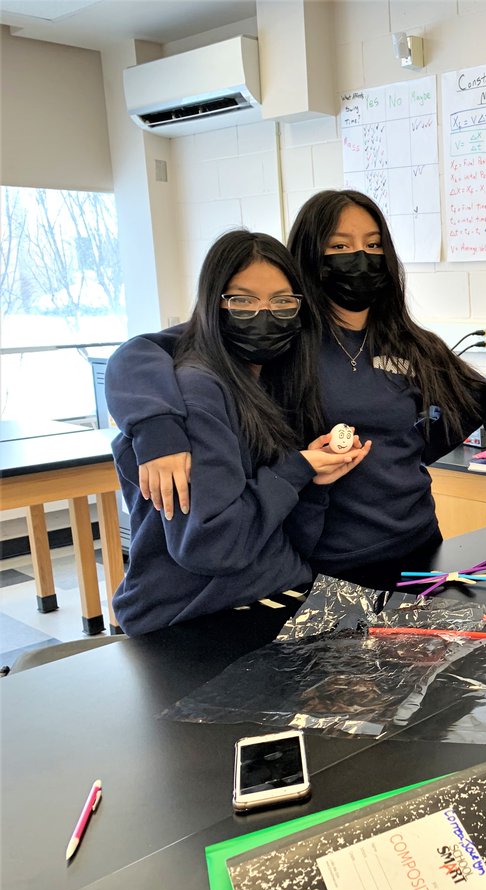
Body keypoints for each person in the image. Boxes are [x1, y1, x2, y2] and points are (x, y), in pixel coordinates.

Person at [105, 190, 486, 589]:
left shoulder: (407, 340)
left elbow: (476, 400)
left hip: (418, 545)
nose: (360, 257)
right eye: (340, 245)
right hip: (320, 559)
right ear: (311, 256)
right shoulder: (284, 330)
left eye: (373, 244)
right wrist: (157, 428)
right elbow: (149, 350)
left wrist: (409, 448)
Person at [109, 231, 369, 635]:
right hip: (199, 622)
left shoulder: (273, 383)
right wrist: (295, 470)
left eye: (282, 301)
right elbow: (211, 545)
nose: (265, 315)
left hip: (273, 594)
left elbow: (284, 534)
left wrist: (311, 480)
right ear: (216, 304)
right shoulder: (200, 390)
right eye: (243, 301)